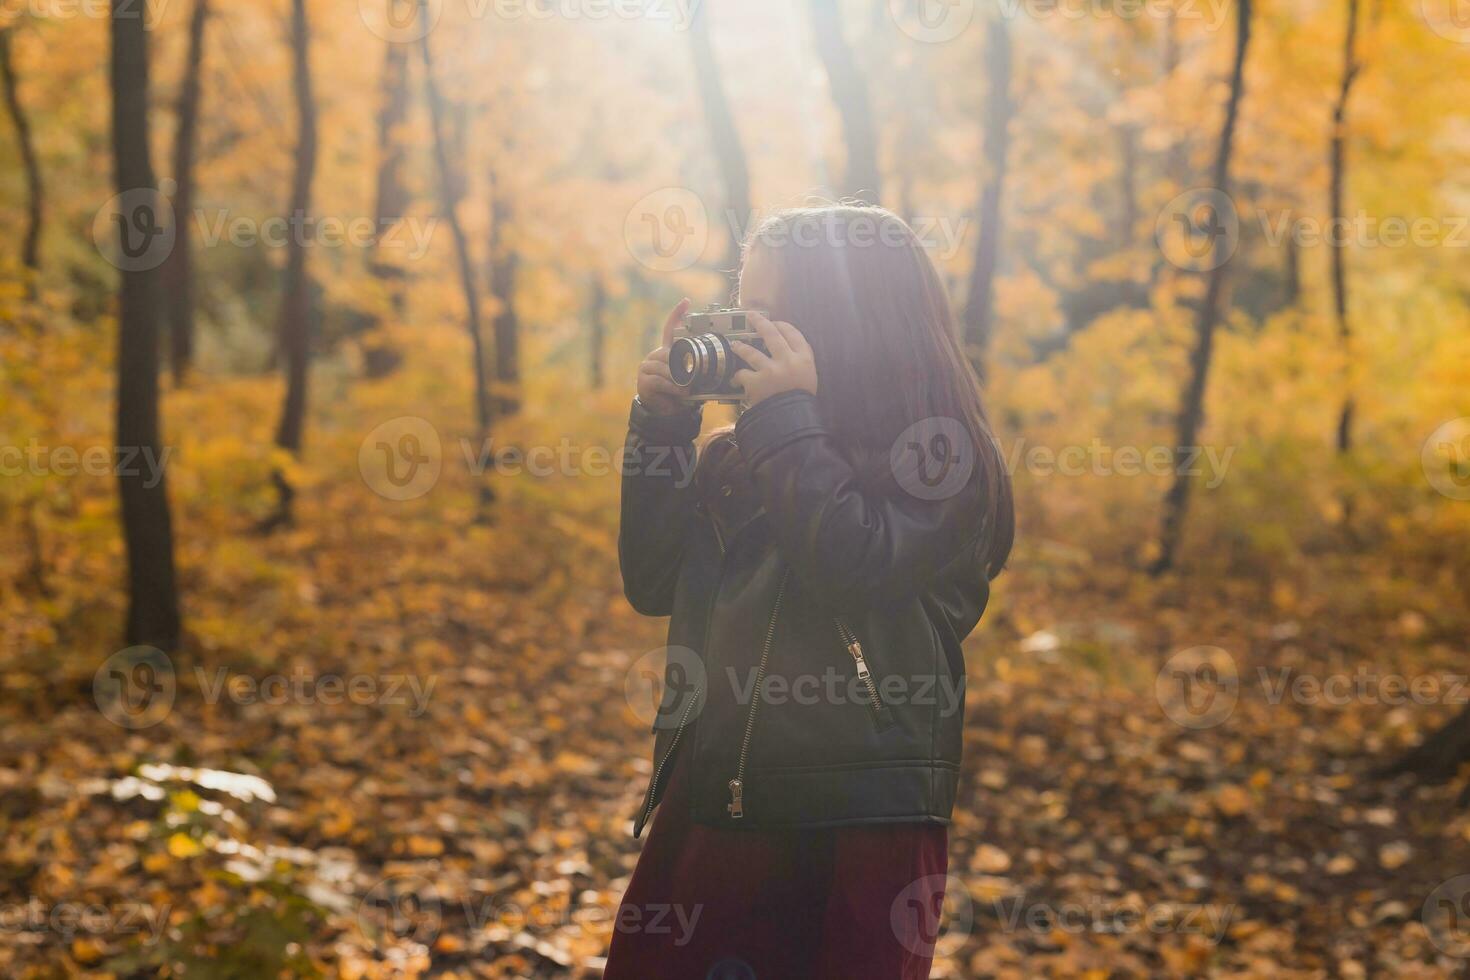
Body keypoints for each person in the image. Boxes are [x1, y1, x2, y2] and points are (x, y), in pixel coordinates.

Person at [607, 204, 1014, 979]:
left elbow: (854, 562)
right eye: (740, 311)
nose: (742, 334)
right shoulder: (746, 451)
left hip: (858, 815)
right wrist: (660, 429)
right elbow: (652, 582)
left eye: (769, 314)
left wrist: (787, 422)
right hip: (716, 794)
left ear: (846, 323)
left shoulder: (940, 458)